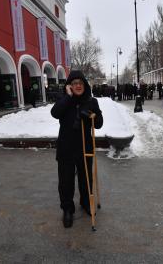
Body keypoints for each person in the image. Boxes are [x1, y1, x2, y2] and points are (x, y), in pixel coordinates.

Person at [50, 70, 103, 228]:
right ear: (69, 86)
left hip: (84, 146)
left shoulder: (91, 101)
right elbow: (55, 113)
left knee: (86, 178)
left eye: (80, 83)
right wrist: (68, 97)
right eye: (74, 83)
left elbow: (99, 123)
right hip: (66, 147)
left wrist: (91, 116)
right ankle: (67, 209)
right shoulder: (64, 99)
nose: (78, 86)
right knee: (66, 181)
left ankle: (86, 202)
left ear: (84, 85)